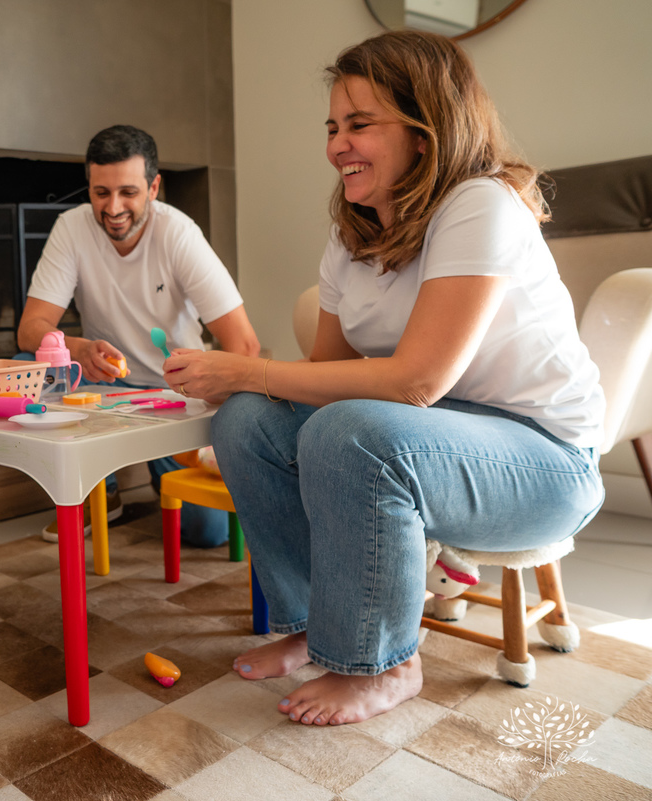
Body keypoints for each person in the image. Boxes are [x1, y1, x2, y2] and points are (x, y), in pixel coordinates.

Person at [162, 31, 605, 726]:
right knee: (248, 419)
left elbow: (418, 382)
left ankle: (385, 662)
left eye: (359, 124)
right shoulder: (352, 232)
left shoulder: (481, 204)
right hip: (434, 438)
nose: (337, 145)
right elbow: (324, 377)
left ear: (425, 133)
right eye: (332, 127)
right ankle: (314, 623)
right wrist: (242, 389)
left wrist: (246, 364)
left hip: (546, 461)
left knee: (350, 431)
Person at [17, 124, 261, 546]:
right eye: (101, 193)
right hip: (102, 388)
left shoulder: (179, 234)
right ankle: (96, 487)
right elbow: (29, 329)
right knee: (30, 369)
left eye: (128, 192)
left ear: (154, 188)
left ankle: (156, 469)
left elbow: (244, 345)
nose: (113, 208)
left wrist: (218, 418)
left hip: (175, 396)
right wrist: (77, 347)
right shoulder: (70, 228)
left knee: (207, 533)